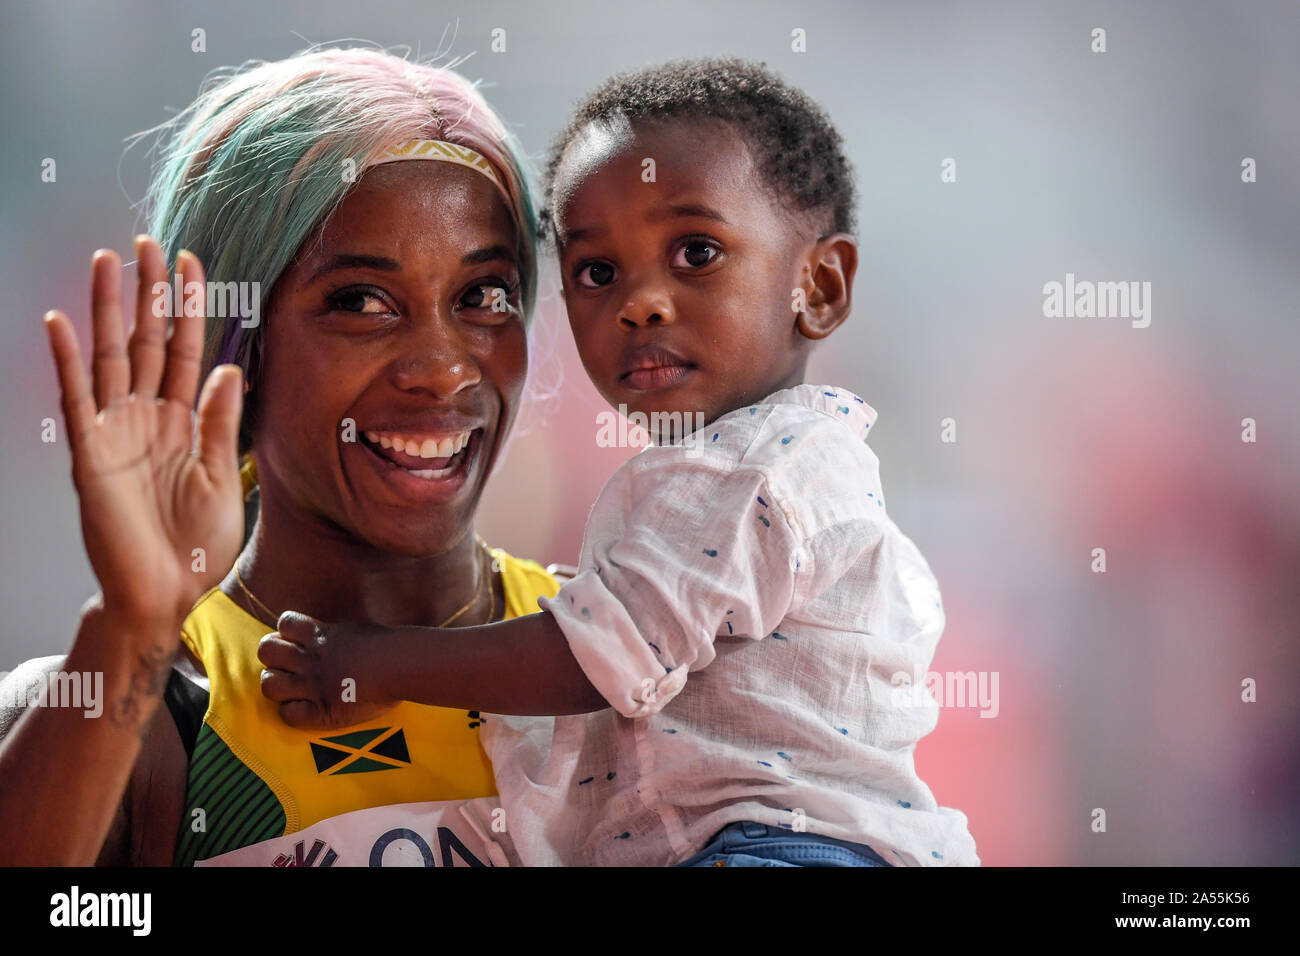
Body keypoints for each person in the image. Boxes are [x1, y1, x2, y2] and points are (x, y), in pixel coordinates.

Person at [256, 59, 981, 867]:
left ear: (819, 285)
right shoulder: (727, 470)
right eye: (597, 273)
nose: (640, 302)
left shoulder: (759, 475)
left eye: (697, 252)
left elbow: (588, 662)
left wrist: (365, 661)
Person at [0, 46, 560, 867]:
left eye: (483, 297)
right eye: (361, 302)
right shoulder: (136, 713)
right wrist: (130, 628)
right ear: (237, 347)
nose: (443, 368)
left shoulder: (629, 653)